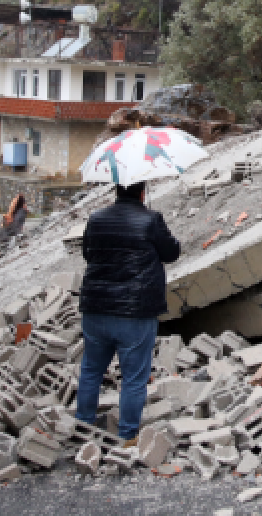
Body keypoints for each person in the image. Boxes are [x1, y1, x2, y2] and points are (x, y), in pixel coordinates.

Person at [76, 181, 181, 445]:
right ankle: (127, 437)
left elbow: (88, 253)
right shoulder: (151, 220)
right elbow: (172, 253)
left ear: (116, 191)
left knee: (91, 371)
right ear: (143, 192)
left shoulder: (96, 218)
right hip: (135, 312)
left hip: (96, 308)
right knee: (134, 378)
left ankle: (82, 426)